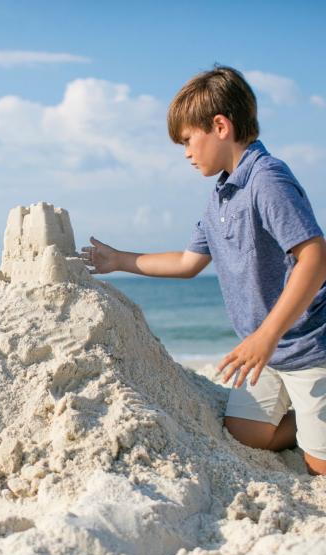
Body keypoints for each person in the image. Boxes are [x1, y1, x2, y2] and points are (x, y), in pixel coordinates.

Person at [81, 66, 326, 475]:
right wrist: (120, 260)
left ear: (220, 126)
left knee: (319, 464)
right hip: (265, 352)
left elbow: (314, 257)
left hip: (307, 345)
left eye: (189, 140)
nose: (187, 153)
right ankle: (307, 425)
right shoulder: (220, 196)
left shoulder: (267, 180)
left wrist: (266, 336)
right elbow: (188, 262)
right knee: (245, 431)